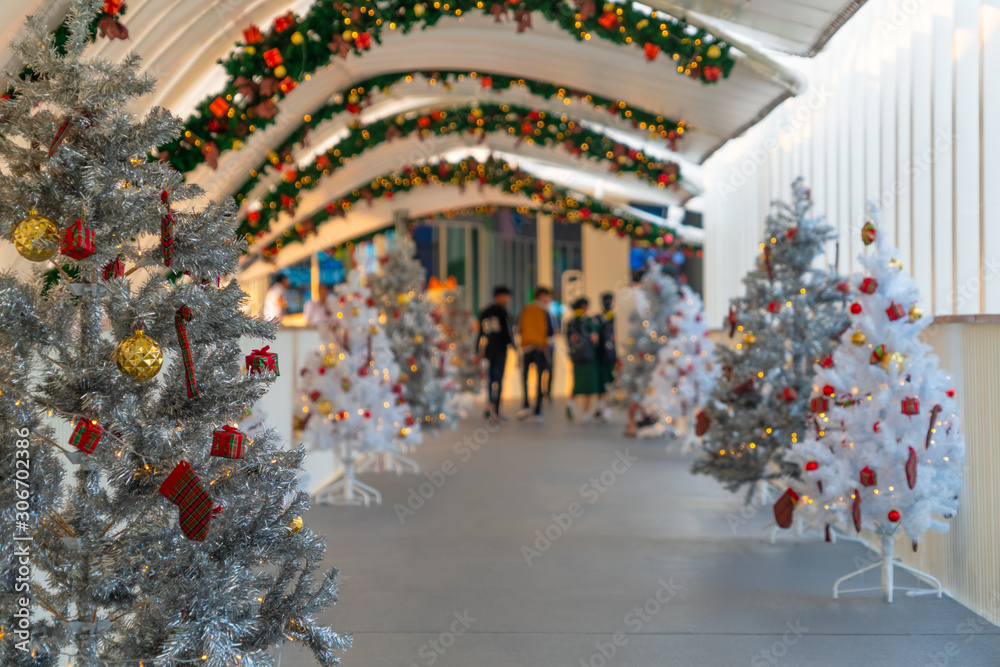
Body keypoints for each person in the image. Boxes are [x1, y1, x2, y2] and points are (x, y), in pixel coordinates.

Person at [616, 268, 649, 436]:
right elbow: (645, 322)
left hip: (624, 348)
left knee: (630, 386)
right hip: (641, 349)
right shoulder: (641, 296)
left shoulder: (621, 295)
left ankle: (633, 422)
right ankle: (638, 422)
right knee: (642, 385)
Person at [477, 285, 515, 420]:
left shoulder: (484, 311)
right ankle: (496, 410)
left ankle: (489, 405)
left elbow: (480, 333)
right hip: (500, 350)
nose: (508, 300)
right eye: (507, 297)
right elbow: (508, 332)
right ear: (500, 296)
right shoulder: (502, 312)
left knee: (490, 379)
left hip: (488, 350)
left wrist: (478, 350)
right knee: (498, 379)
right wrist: (514, 347)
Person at [517, 286, 553, 421]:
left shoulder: (526, 309)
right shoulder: (544, 311)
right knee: (539, 378)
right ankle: (538, 410)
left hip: (526, 347)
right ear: (542, 296)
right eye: (547, 296)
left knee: (525, 377)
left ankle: (526, 405)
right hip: (540, 348)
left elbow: (519, 327)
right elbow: (549, 331)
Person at [565, 297, 600, 422]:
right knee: (588, 387)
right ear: (584, 306)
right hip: (589, 357)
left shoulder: (570, 322)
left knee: (576, 384)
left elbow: (568, 340)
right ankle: (585, 413)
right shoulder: (589, 321)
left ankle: (570, 405)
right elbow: (595, 339)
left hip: (576, 358)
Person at [594, 292, 617, 421]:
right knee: (601, 383)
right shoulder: (598, 319)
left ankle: (607, 409)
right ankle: (600, 407)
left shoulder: (615, 318)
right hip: (601, 356)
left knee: (610, 383)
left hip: (612, 356)